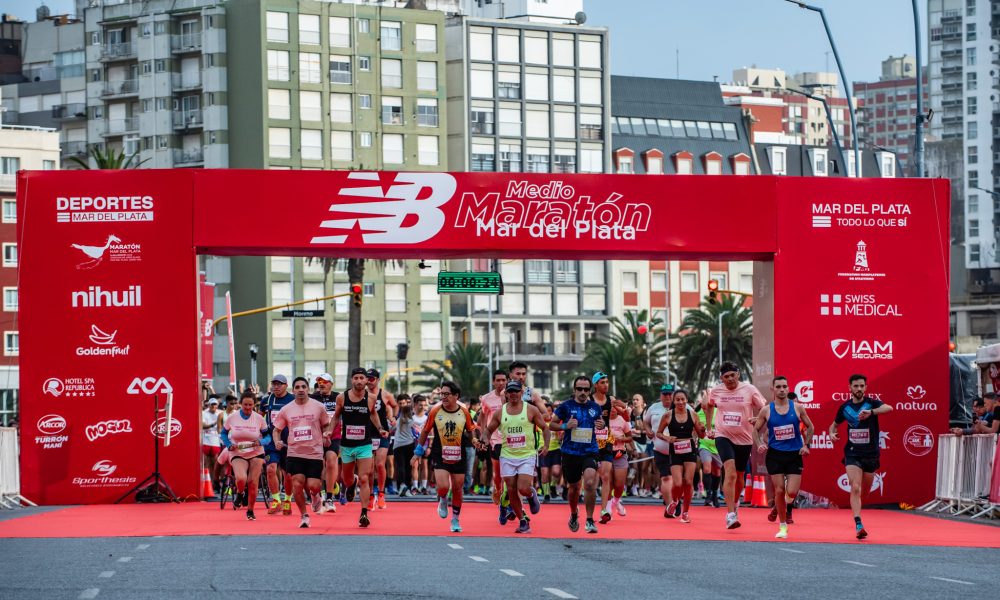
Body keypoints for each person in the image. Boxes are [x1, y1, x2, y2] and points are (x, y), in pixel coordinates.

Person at [704, 361, 766, 529]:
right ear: (721, 378)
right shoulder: (716, 390)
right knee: (730, 473)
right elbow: (709, 405)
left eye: (733, 375)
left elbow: (764, 408)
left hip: (744, 439)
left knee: (739, 477)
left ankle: (736, 501)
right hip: (723, 435)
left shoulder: (750, 389)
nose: (730, 379)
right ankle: (730, 514)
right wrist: (709, 428)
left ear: (738, 374)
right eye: (726, 376)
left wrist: (758, 419)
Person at [829, 373, 892, 540]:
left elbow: (889, 408)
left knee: (864, 492)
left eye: (862, 386)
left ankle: (858, 507)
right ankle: (858, 524)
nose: (859, 389)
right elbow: (833, 425)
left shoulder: (871, 403)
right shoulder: (845, 408)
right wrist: (831, 433)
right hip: (852, 452)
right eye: (855, 386)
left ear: (866, 387)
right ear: (849, 388)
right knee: (855, 487)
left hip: (871, 454)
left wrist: (871, 412)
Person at [484, 380, 550, 534]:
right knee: (511, 490)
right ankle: (522, 521)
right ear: (506, 394)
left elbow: (545, 428)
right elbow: (488, 430)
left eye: (516, 391)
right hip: (507, 456)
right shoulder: (500, 413)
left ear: (522, 392)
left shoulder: (531, 410)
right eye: (510, 391)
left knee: (523, 488)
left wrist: (546, 445)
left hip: (527, 455)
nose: (513, 394)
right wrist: (485, 440)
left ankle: (531, 494)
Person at [753, 376, 814, 539]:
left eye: (784, 386)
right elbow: (755, 430)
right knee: (779, 490)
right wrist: (759, 444)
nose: (781, 389)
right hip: (775, 454)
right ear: (773, 389)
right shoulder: (766, 410)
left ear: (788, 388)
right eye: (778, 387)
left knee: (791, 492)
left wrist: (806, 445)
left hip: (794, 454)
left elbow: (811, 427)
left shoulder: (798, 408)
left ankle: (779, 506)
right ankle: (782, 526)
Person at [415, 381, 477, 533]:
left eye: (446, 394)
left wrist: (475, 441)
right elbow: (425, 431)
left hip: (459, 453)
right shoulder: (435, 410)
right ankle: (443, 499)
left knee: (457, 489)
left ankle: (455, 519)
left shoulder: (464, 411)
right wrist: (418, 452)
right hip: (440, 453)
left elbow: (471, 430)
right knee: (443, 487)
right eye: (442, 394)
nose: (443, 397)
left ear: (456, 396)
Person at [332, 367, 389, 528]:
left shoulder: (371, 398)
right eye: (356, 378)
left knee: (365, 477)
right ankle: (352, 483)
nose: (358, 381)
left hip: (365, 444)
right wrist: (329, 430)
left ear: (366, 380)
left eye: (361, 378)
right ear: (352, 380)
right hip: (347, 445)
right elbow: (336, 416)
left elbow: (373, 414)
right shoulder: (342, 397)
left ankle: (364, 513)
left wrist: (380, 429)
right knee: (347, 479)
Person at [272, 377, 330, 529]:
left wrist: (326, 435)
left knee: (314, 485)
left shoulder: (318, 407)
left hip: (314, 452)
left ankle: (315, 495)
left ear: (308, 389)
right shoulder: (286, 409)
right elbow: (276, 430)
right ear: (293, 390)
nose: (301, 389)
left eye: (303, 386)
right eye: (297, 387)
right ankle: (304, 516)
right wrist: (277, 441)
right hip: (294, 453)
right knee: (297, 484)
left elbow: (326, 425)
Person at [551, 375, 603, 534]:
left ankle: (590, 520)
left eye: (586, 389)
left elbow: (600, 423)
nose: (582, 392)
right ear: (574, 390)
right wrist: (566, 426)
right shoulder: (565, 406)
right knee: (574, 488)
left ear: (590, 391)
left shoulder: (595, 407)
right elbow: (551, 424)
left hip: (590, 451)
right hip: (570, 452)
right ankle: (574, 513)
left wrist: (602, 425)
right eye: (579, 389)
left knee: (589, 483)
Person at [656, 388, 706, 523]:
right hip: (675, 451)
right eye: (677, 399)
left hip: (690, 450)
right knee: (678, 483)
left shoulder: (693, 414)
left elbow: (701, 435)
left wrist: (702, 430)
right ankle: (675, 501)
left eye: (683, 399)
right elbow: (658, 433)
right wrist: (667, 438)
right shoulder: (668, 415)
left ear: (687, 400)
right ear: (674, 401)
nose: (680, 402)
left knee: (688, 482)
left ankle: (685, 512)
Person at [221, 390, 270, 520]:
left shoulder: (259, 418)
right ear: (240, 404)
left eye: (250, 405)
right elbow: (223, 433)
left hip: (256, 452)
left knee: (253, 482)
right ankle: (240, 493)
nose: (248, 407)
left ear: (254, 405)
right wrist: (228, 444)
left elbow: (268, 437)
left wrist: (260, 442)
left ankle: (250, 510)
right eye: (245, 405)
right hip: (238, 452)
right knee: (241, 478)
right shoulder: (232, 417)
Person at [590, 371, 628, 524]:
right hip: (591, 442)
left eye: (607, 382)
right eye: (602, 382)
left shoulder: (611, 400)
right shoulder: (589, 400)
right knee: (591, 480)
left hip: (606, 441)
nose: (606, 385)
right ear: (596, 385)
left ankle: (604, 510)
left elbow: (626, 418)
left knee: (606, 476)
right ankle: (582, 509)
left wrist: (624, 407)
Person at [261, 375, 295, 515]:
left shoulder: (293, 400)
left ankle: (287, 500)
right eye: (274, 384)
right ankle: (276, 500)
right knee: (270, 469)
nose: (276, 387)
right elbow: (259, 418)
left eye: (279, 384)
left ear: (286, 385)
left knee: (288, 475)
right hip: (271, 442)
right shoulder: (266, 400)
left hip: (288, 441)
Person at [365, 369, 398, 510]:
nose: (369, 381)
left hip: (382, 433)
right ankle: (371, 496)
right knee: (370, 467)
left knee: (380, 464)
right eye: (367, 378)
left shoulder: (385, 394)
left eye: (372, 379)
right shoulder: (362, 394)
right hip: (367, 433)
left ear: (378, 380)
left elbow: (395, 405)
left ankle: (381, 493)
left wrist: (393, 417)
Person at [310, 373, 341, 514]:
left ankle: (329, 498)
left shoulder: (338, 397)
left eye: (325, 382)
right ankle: (320, 494)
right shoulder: (312, 398)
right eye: (319, 382)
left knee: (331, 461)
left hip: (334, 435)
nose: (321, 384)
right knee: (318, 466)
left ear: (331, 384)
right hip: (316, 437)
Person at [644, 384, 677, 515]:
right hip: (660, 449)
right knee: (666, 478)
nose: (667, 396)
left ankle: (676, 501)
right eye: (665, 394)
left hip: (679, 450)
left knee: (678, 480)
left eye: (670, 394)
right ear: (661, 395)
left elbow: (695, 421)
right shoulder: (653, 408)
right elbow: (646, 422)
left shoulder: (682, 407)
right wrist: (648, 430)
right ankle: (669, 507)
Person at [478, 370, 508, 505]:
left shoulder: (513, 396)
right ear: (493, 382)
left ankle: (507, 496)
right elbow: (483, 416)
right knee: (498, 472)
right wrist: (483, 435)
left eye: (503, 380)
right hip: (495, 440)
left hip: (511, 439)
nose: (501, 383)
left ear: (507, 381)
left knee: (508, 473)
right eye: (498, 380)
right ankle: (497, 487)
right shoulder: (486, 398)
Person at [607, 400, 633, 518]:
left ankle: (616, 501)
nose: (612, 409)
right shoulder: (602, 420)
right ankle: (607, 509)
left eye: (614, 406)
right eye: (610, 406)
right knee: (608, 482)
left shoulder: (622, 420)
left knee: (619, 484)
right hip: (605, 454)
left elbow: (630, 438)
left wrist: (621, 439)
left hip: (620, 454)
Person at [695, 395, 723, 508]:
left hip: (717, 445)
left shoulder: (718, 412)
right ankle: (708, 494)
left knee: (717, 471)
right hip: (704, 444)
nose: (705, 410)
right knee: (707, 468)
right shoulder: (697, 414)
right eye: (703, 408)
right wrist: (699, 431)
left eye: (707, 408)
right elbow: (694, 430)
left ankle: (715, 494)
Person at [393, 397, 418, 496]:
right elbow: (418, 431)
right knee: (408, 467)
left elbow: (391, 429)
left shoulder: (398, 420)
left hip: (398, 445)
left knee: (400, 466)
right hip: (409, 444)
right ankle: (407, 487)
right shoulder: (412, 421)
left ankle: (402, 485)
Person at [540, 400, 563, 503]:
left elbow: (561, 436)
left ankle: (553, 485)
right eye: (545, 411)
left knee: (556, 472)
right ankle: (546, 495)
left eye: (550, 411)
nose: (548, 413)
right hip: (543, 451)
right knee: (544, 473)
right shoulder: (538, 423)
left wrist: (560, 436)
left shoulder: (555, 423)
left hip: (555, 450)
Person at [201, 397, 223, 494]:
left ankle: (215, 482)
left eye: (215, 404)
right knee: (207, 464)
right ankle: (207, 483)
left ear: (217, 405)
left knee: (215, 463)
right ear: (209, 405)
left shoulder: (220, 413)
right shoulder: (204, 413)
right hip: (205, 440)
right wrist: (215, 423)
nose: (213, 406)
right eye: (212, 404)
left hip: (215, 441)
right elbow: (203, 425)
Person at [411, 395, 430, 494]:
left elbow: (431, 433)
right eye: (420, 405)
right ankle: (415, 487)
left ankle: (424, 487)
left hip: (425, 444)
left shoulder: (428, 418)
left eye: (424, 405)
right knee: (415, 465)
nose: (422, 407)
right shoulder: (411, 418)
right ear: (415, 405)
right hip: (414, 444)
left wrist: (430, 447)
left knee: (424, 465)